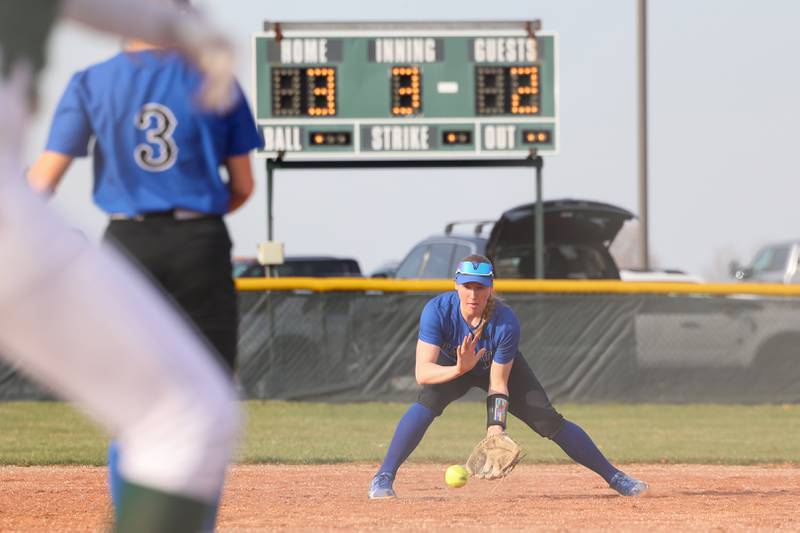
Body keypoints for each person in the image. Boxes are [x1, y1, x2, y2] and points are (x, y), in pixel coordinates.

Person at [1, 0, 247, 530]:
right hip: (198, 239)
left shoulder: (94, 80)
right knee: (183, 414)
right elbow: (242, 185)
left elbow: (43, 179)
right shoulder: (200, 76)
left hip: (126, 236)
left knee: (159, 412)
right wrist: (188, 30)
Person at [368, 254, 648, 499]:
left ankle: (616, 478)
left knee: (548, 420)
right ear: (456, 285)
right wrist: (458, 369)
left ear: (491, 288)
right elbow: (423, 373)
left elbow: (498, 382)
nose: (473, 294)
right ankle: (383, 478)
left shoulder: (505, 322)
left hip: (495, 369)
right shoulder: (437, 311)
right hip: (455, 366)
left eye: (480, 287)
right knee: (427, 404)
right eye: (467, 286)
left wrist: (496, 427)